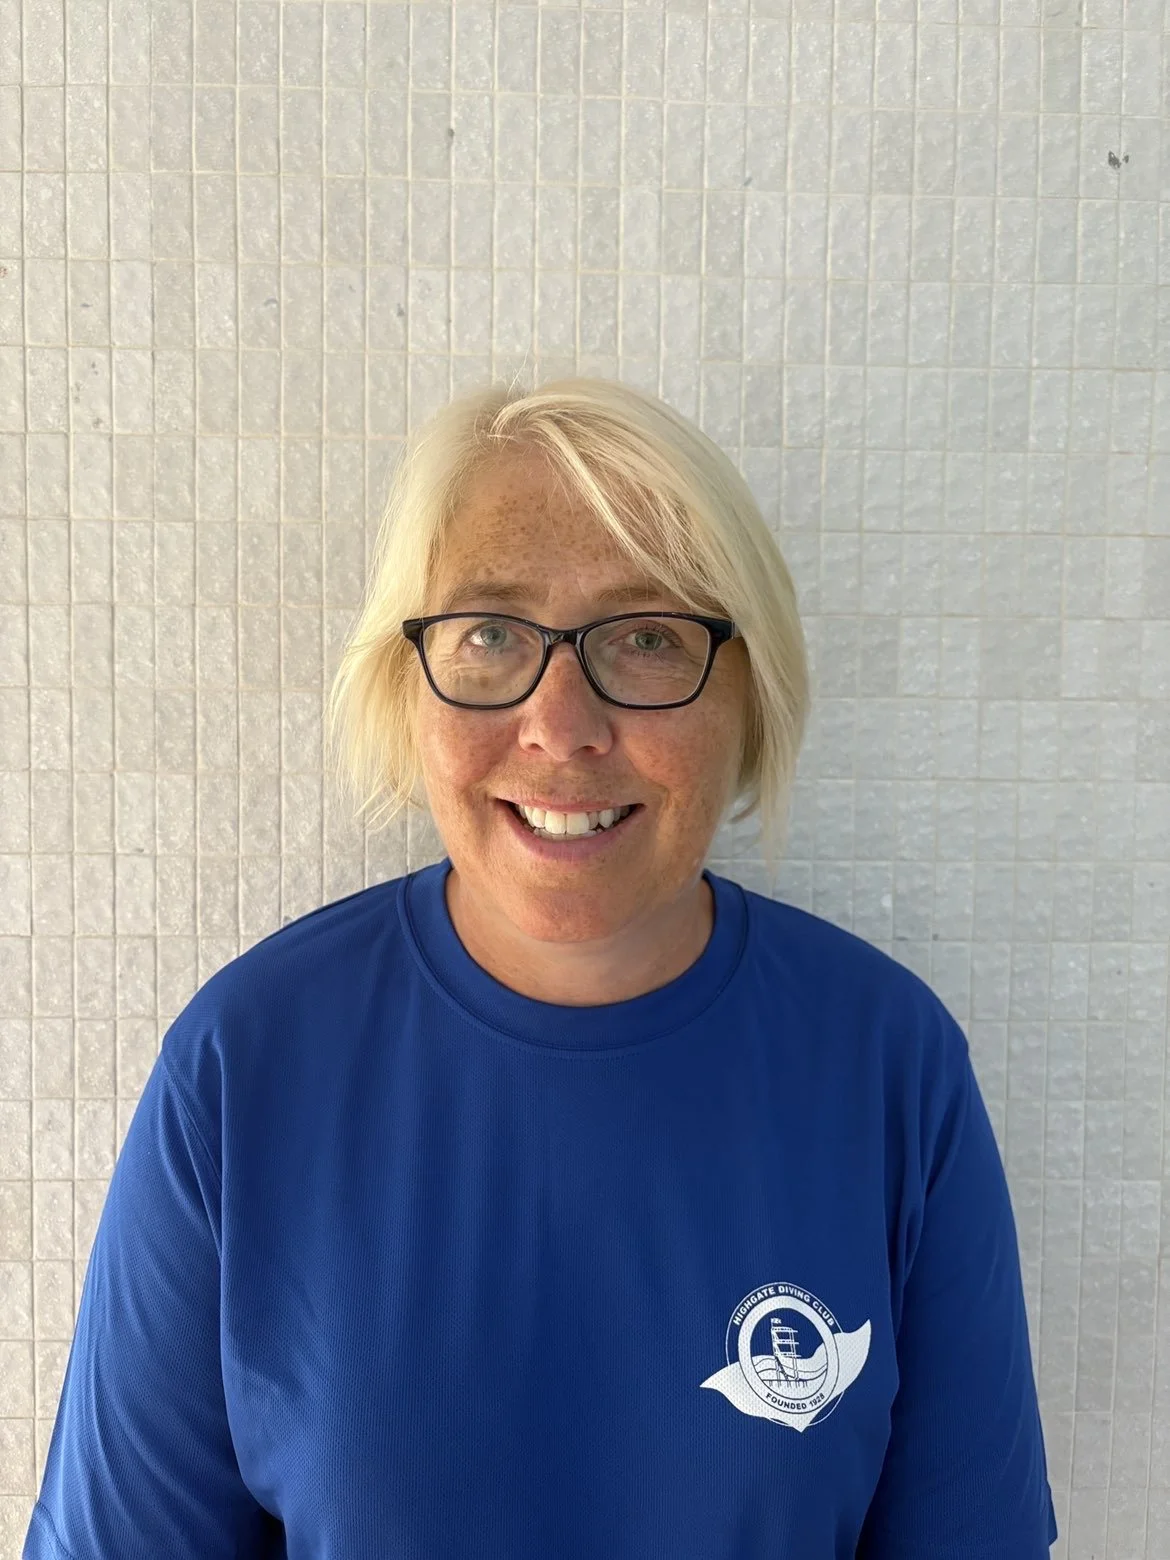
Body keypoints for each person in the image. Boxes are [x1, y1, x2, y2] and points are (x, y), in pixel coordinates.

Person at [23, 378, 1058, 1559]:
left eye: (649, 636)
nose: (561, 727)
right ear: (406, 681)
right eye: (492, 633)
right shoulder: (243, 1070)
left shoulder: (889, 1068)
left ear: (748, 695)